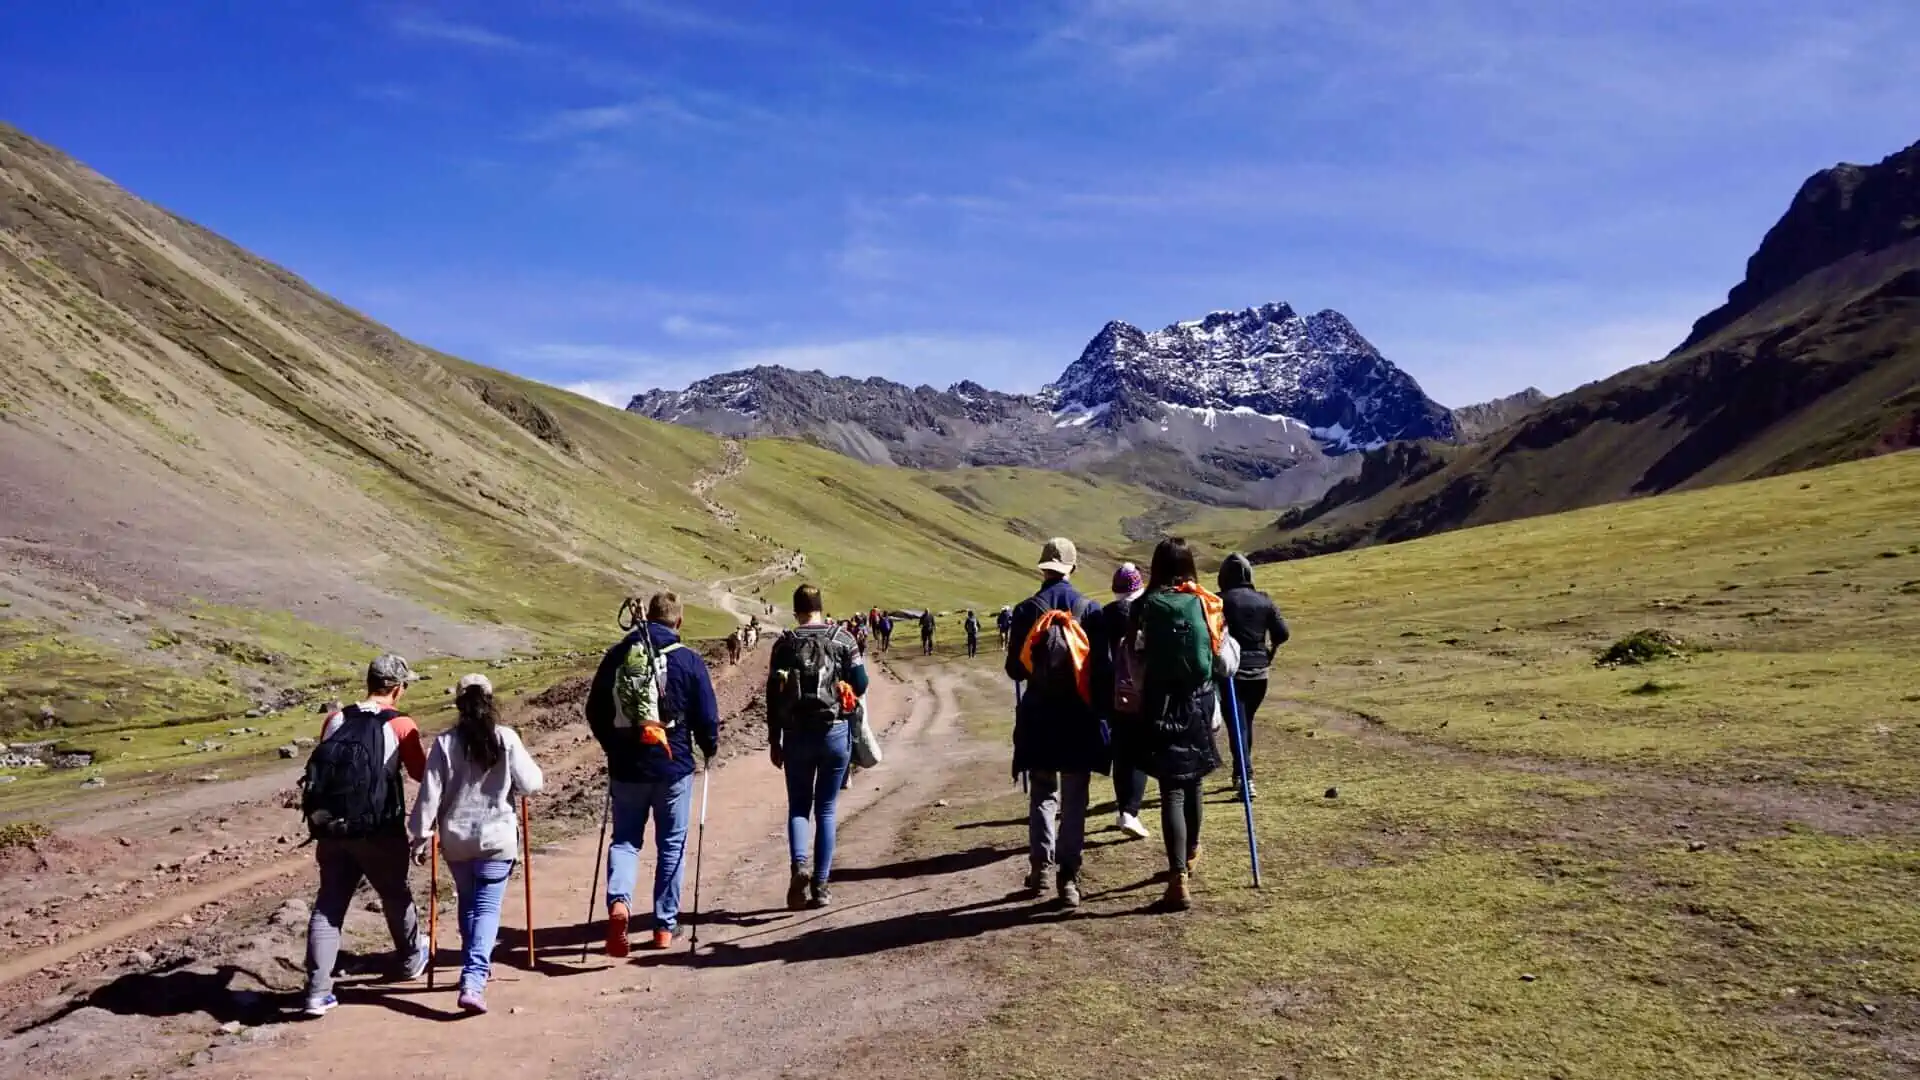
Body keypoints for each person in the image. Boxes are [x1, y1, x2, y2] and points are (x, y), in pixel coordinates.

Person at [587, 591, 720, 956]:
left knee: (626, 841)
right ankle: (664, 926)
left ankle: (619, 905)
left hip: (626, 766)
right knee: (671, 844)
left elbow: (595, 709)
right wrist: (709, 746)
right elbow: (707, 715)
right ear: (678, 621)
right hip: (673, 765)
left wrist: (611, 746)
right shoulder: (689, 660)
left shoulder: (618, 656)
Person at [299, 654, 430, 1019]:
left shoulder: (335, 718)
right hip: (378, 829)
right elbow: (421, 773)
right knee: (394, 892)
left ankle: (316, 992)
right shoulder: (401, 724)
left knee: (329, 903)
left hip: (330, 828)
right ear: (398, 688)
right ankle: (408, 959)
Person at [408, 675, 545, 1014]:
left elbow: (430, 795)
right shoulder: (505, 738)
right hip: (496, 839)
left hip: (456, 841)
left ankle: (474, 965)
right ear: (490, 701)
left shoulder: (444, 743)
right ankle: (474, 977)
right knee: (486, 909)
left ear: (459, 704)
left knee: (469, 905)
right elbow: (532, 783)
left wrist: (419, 836)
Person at [1004, 538, 1109, 909]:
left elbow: (1014, 669)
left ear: (1043, 569)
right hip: (1079, 716)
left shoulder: (1024, 610)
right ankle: (1069, 877)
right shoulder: (1091, 611)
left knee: (1043, 793)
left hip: (1039, 715)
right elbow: (1100, 670)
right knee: (1076, 797)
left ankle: (1040, 868)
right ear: (1073, 569)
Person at [1135, 538, 1229, 911]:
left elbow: (1135, 654)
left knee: (1171, 789)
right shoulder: (1203, 602)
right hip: (1200, 701)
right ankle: (1191, 851)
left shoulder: (1145, 605)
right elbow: (1221, 655)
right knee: (1195, 781)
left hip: (1160, 704)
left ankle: (1178, 879)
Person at [767, 584, 869, 909]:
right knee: (826, 809)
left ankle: (800, 865)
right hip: (835, 733)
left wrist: (774, 739)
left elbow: (772, 696)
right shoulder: (844, 639)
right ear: (821, 607)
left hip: (796, 734)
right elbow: (862, 683)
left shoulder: (784, 644)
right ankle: (821, 887)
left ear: (796, 610)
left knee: (799, 806)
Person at [1217, 553, 1290, 800]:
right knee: (1244, 723)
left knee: (1237, 725)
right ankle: (1240, 773)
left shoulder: (1218, 602)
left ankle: (1246, 778)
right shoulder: (1264, 601)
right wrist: (1270, 651)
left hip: (1230, 673)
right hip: (1260, 674)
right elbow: (1283, 633)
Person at [1103, 563, 1151, 841]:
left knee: (1122, 753)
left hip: (1112, 695)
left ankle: (1124, 808)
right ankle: (1130, 811)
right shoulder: (1145, 612)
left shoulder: (1104, 614)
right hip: (1141, 692)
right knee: (1140, 753)